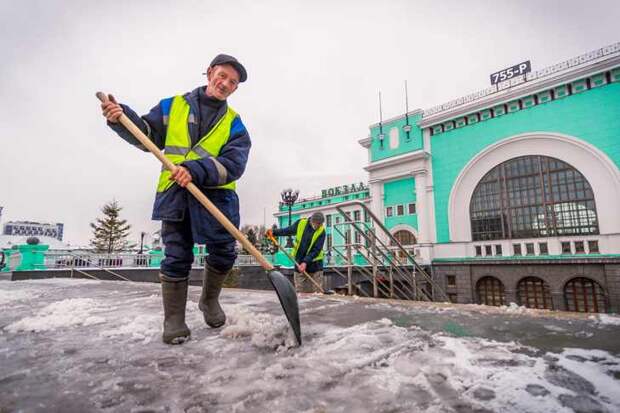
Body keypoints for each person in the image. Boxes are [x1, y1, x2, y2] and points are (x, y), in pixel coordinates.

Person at [101, 54, 251, 345]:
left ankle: (209, 302)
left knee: (224, 252)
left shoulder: (235, 124)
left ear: (234, 89)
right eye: (222, 76)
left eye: (232, 82)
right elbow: (146, 134)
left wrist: (195, 170)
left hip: (216, 198)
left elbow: (235, 164)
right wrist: (121, 118)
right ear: (209, 73)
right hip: (176, 196)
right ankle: (174, 320)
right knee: (176, 255)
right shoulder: (174, 107)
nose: (225, 83)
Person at [268, 212, 326, 293]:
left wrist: (305, 262)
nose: (317, 226)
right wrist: (274, 232)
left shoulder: (322, 231)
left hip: (315, 265)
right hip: (298, 262)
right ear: (311, 221)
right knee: (300, 292)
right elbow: (287, 230)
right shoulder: (301, 223)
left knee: (317, 293)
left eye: (319, 224)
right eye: (316, 224)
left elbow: (316, 250)